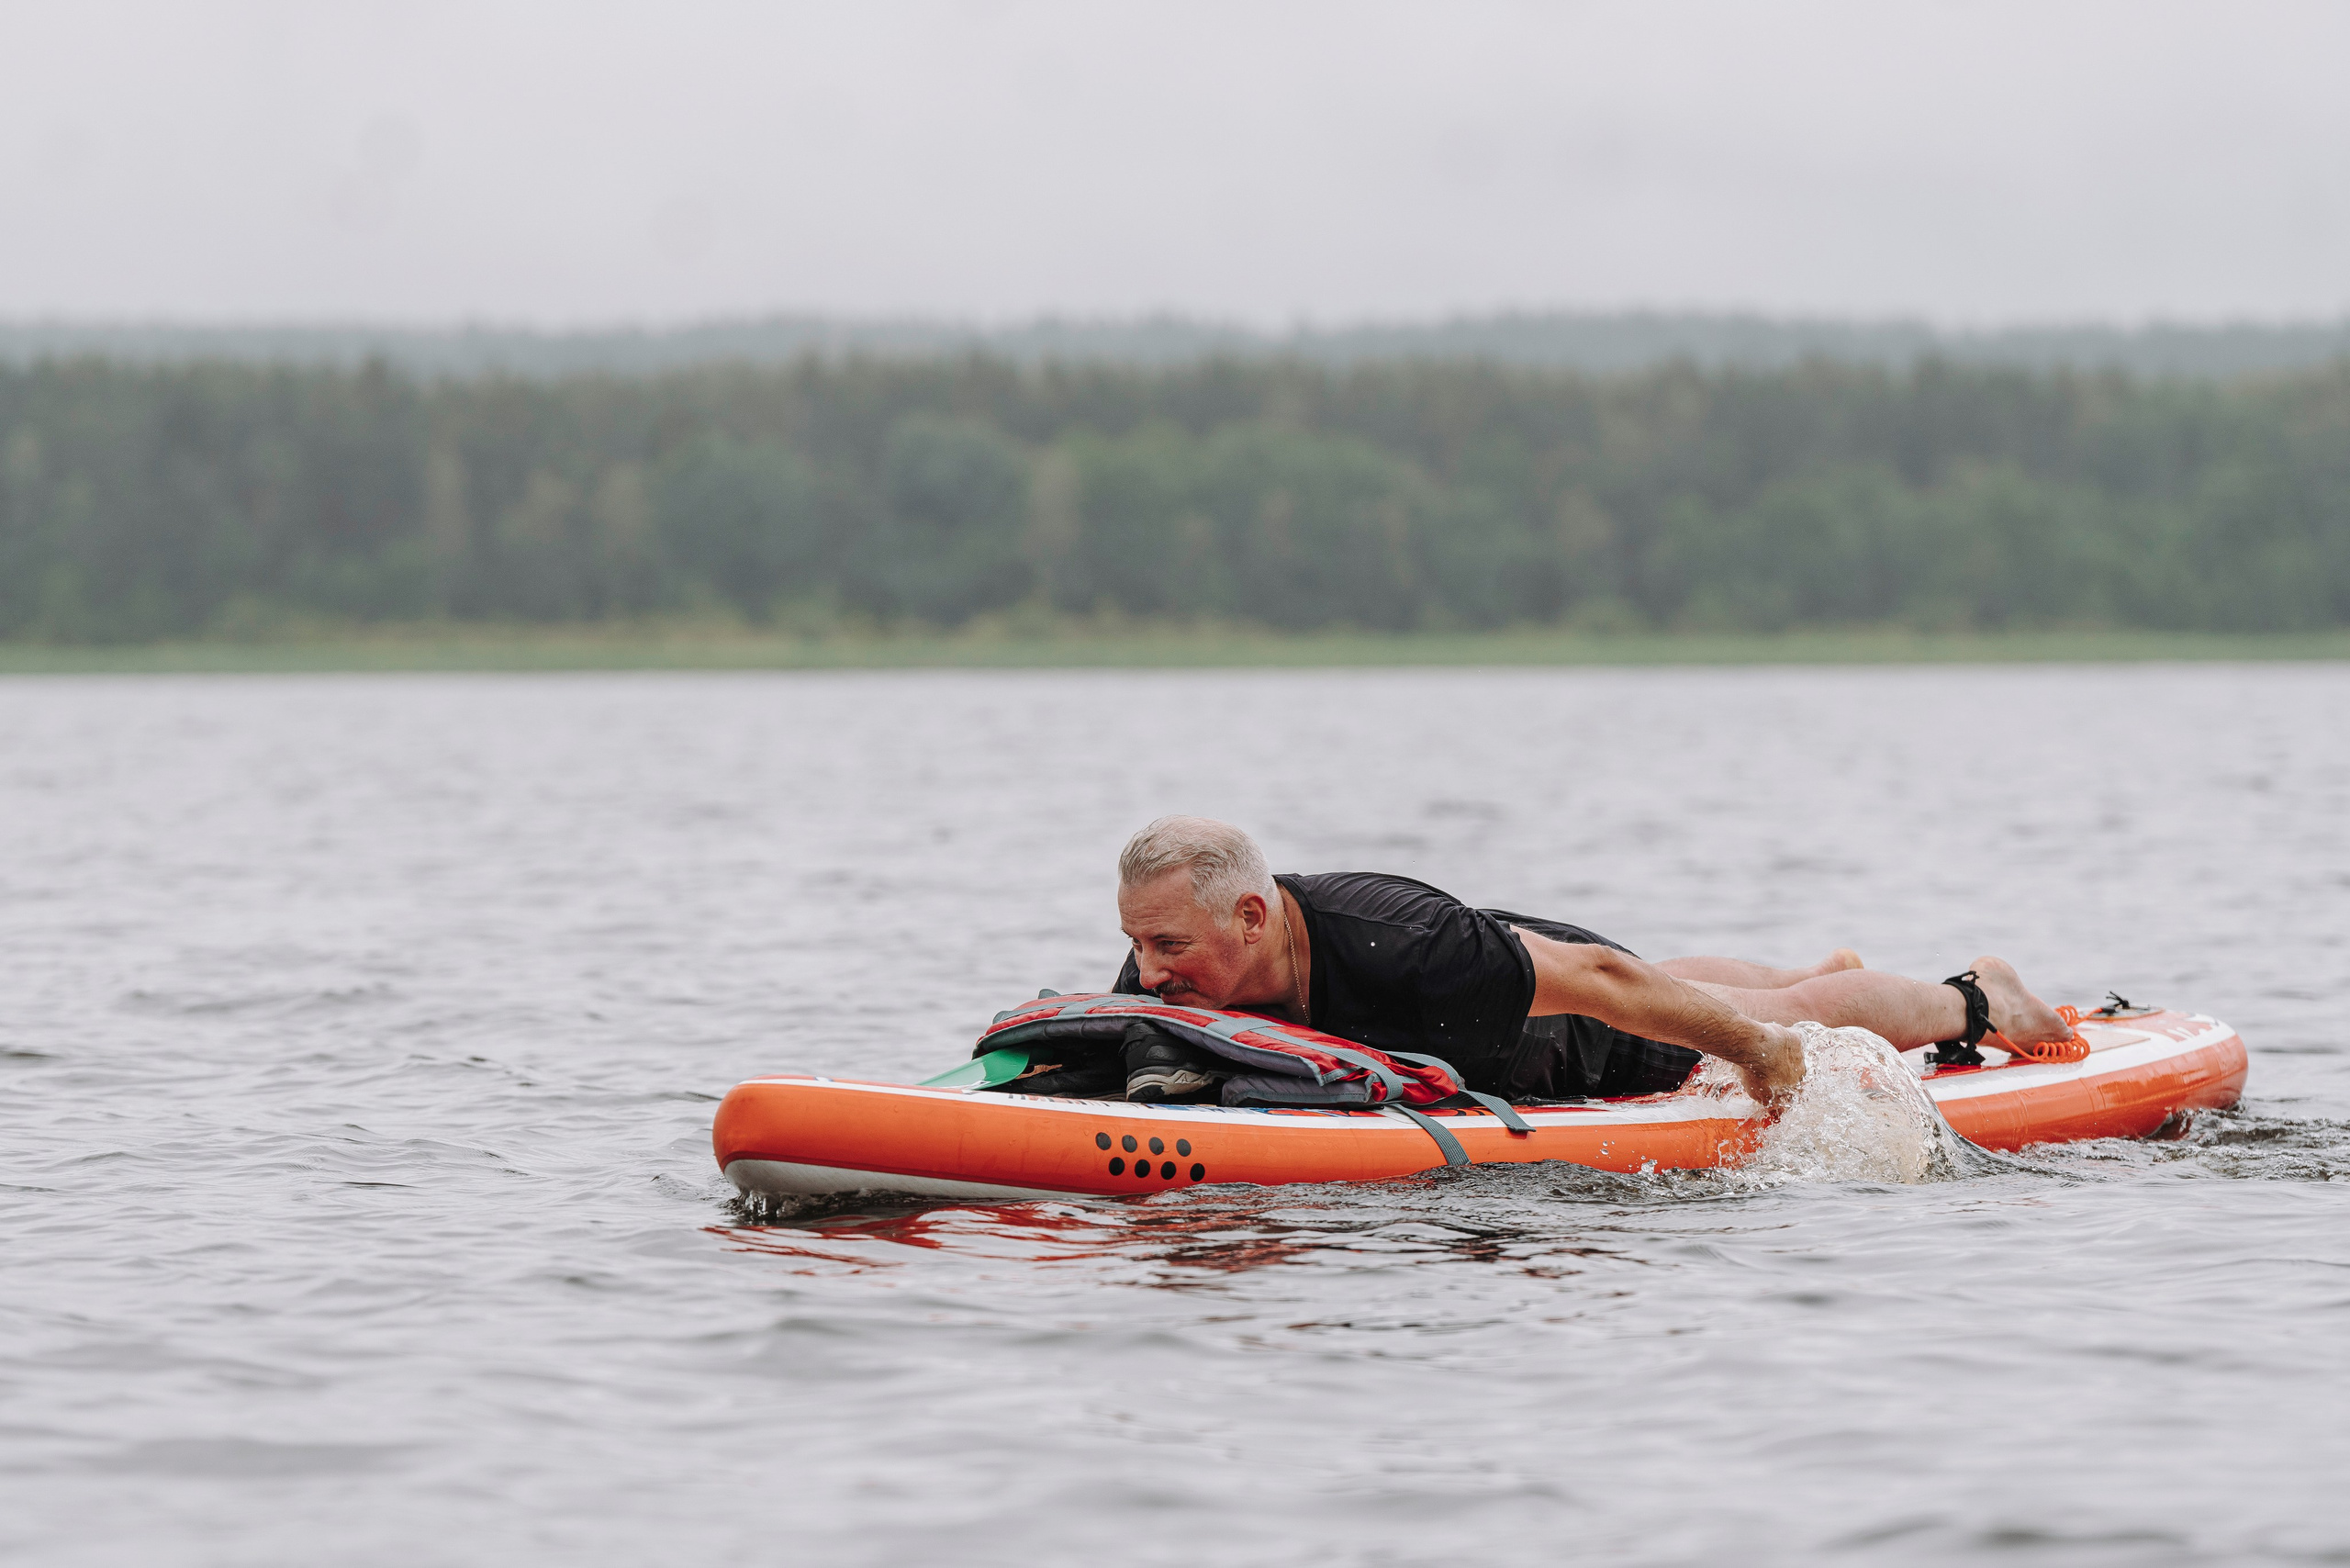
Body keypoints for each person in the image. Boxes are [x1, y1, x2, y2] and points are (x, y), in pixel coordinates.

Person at [1108, 815, 2080, 1107]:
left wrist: (1762, 1054)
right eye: (1136, 944)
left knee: (1789, 1009)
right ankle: (1801, 971)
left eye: (1167, 946)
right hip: (1525, 975)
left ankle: (1975, 1001)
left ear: (1248, 915)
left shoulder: (1405, 944)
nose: (1149, 973)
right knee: (1685, 975)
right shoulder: (1170, 967)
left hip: (1579, 1031)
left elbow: (1610, 987)